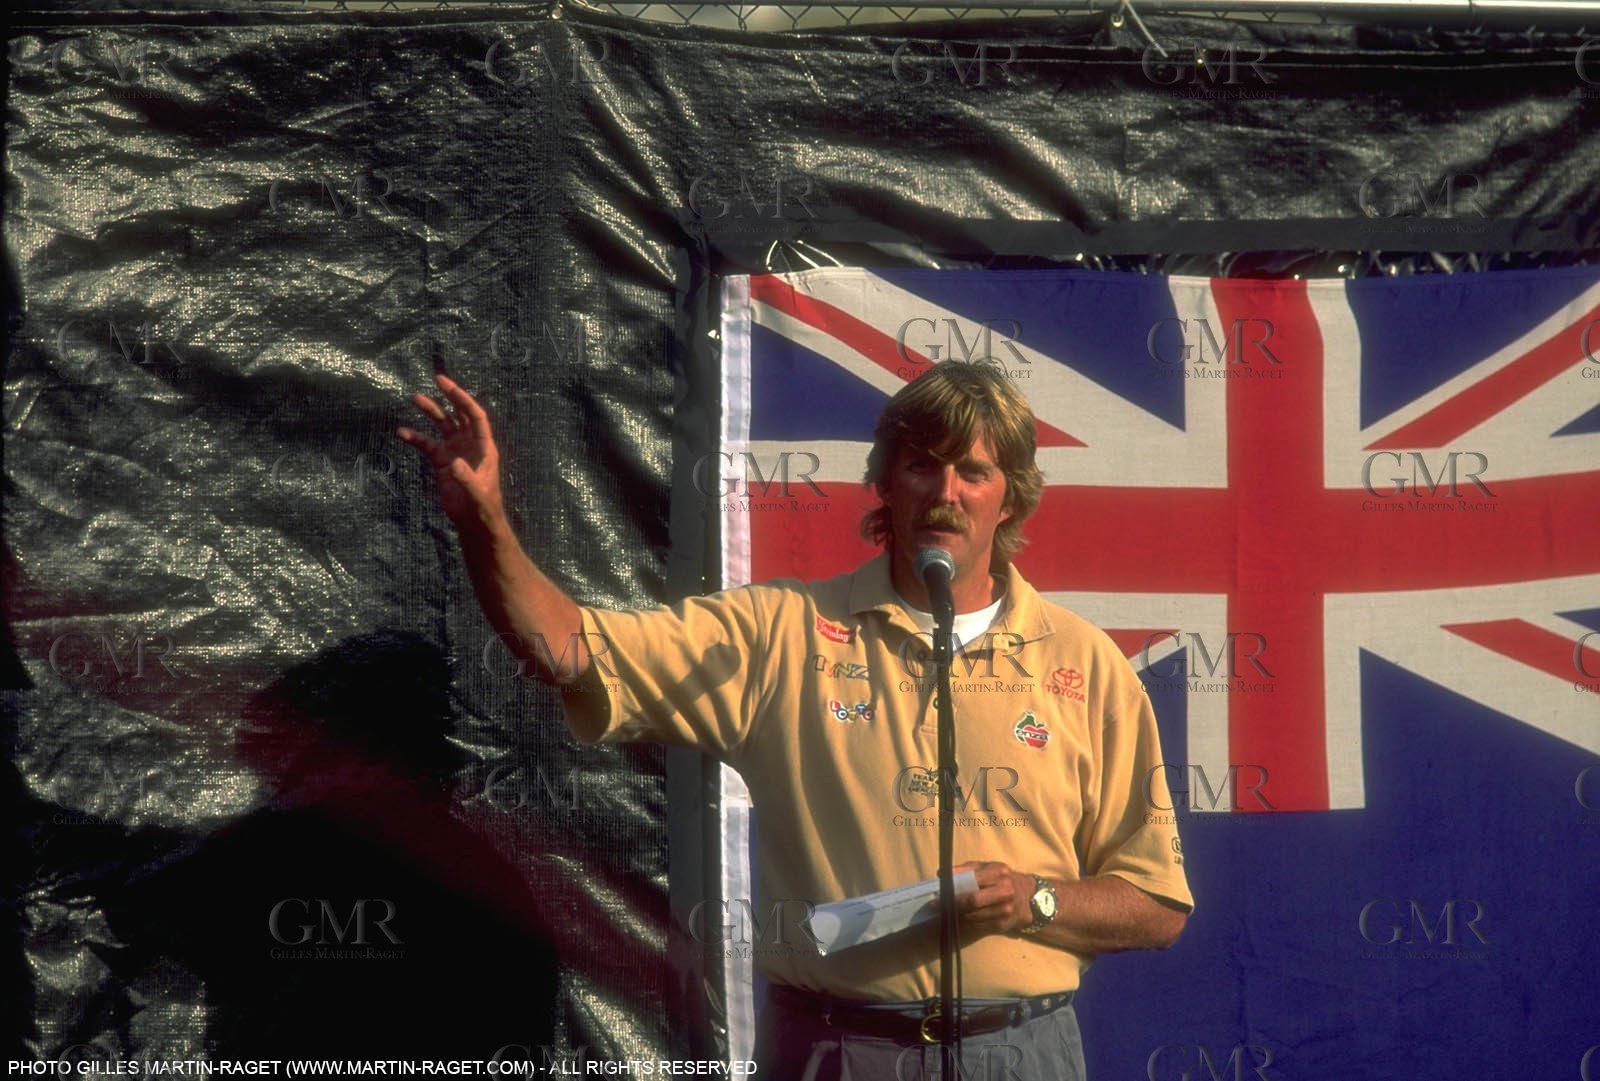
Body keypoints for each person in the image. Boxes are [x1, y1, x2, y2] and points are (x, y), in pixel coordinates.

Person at [400, 362, 1192, 1081]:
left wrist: (1036, 899)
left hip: (1020, 1051)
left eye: (973, 471)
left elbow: (1156, 904)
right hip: (836, 1048)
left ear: (1008, 496)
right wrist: (486, 524)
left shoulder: (1086, 663)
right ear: (886, 483)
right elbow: (572, 648)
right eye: (923, 464)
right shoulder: (781, 633)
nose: (946, 491)